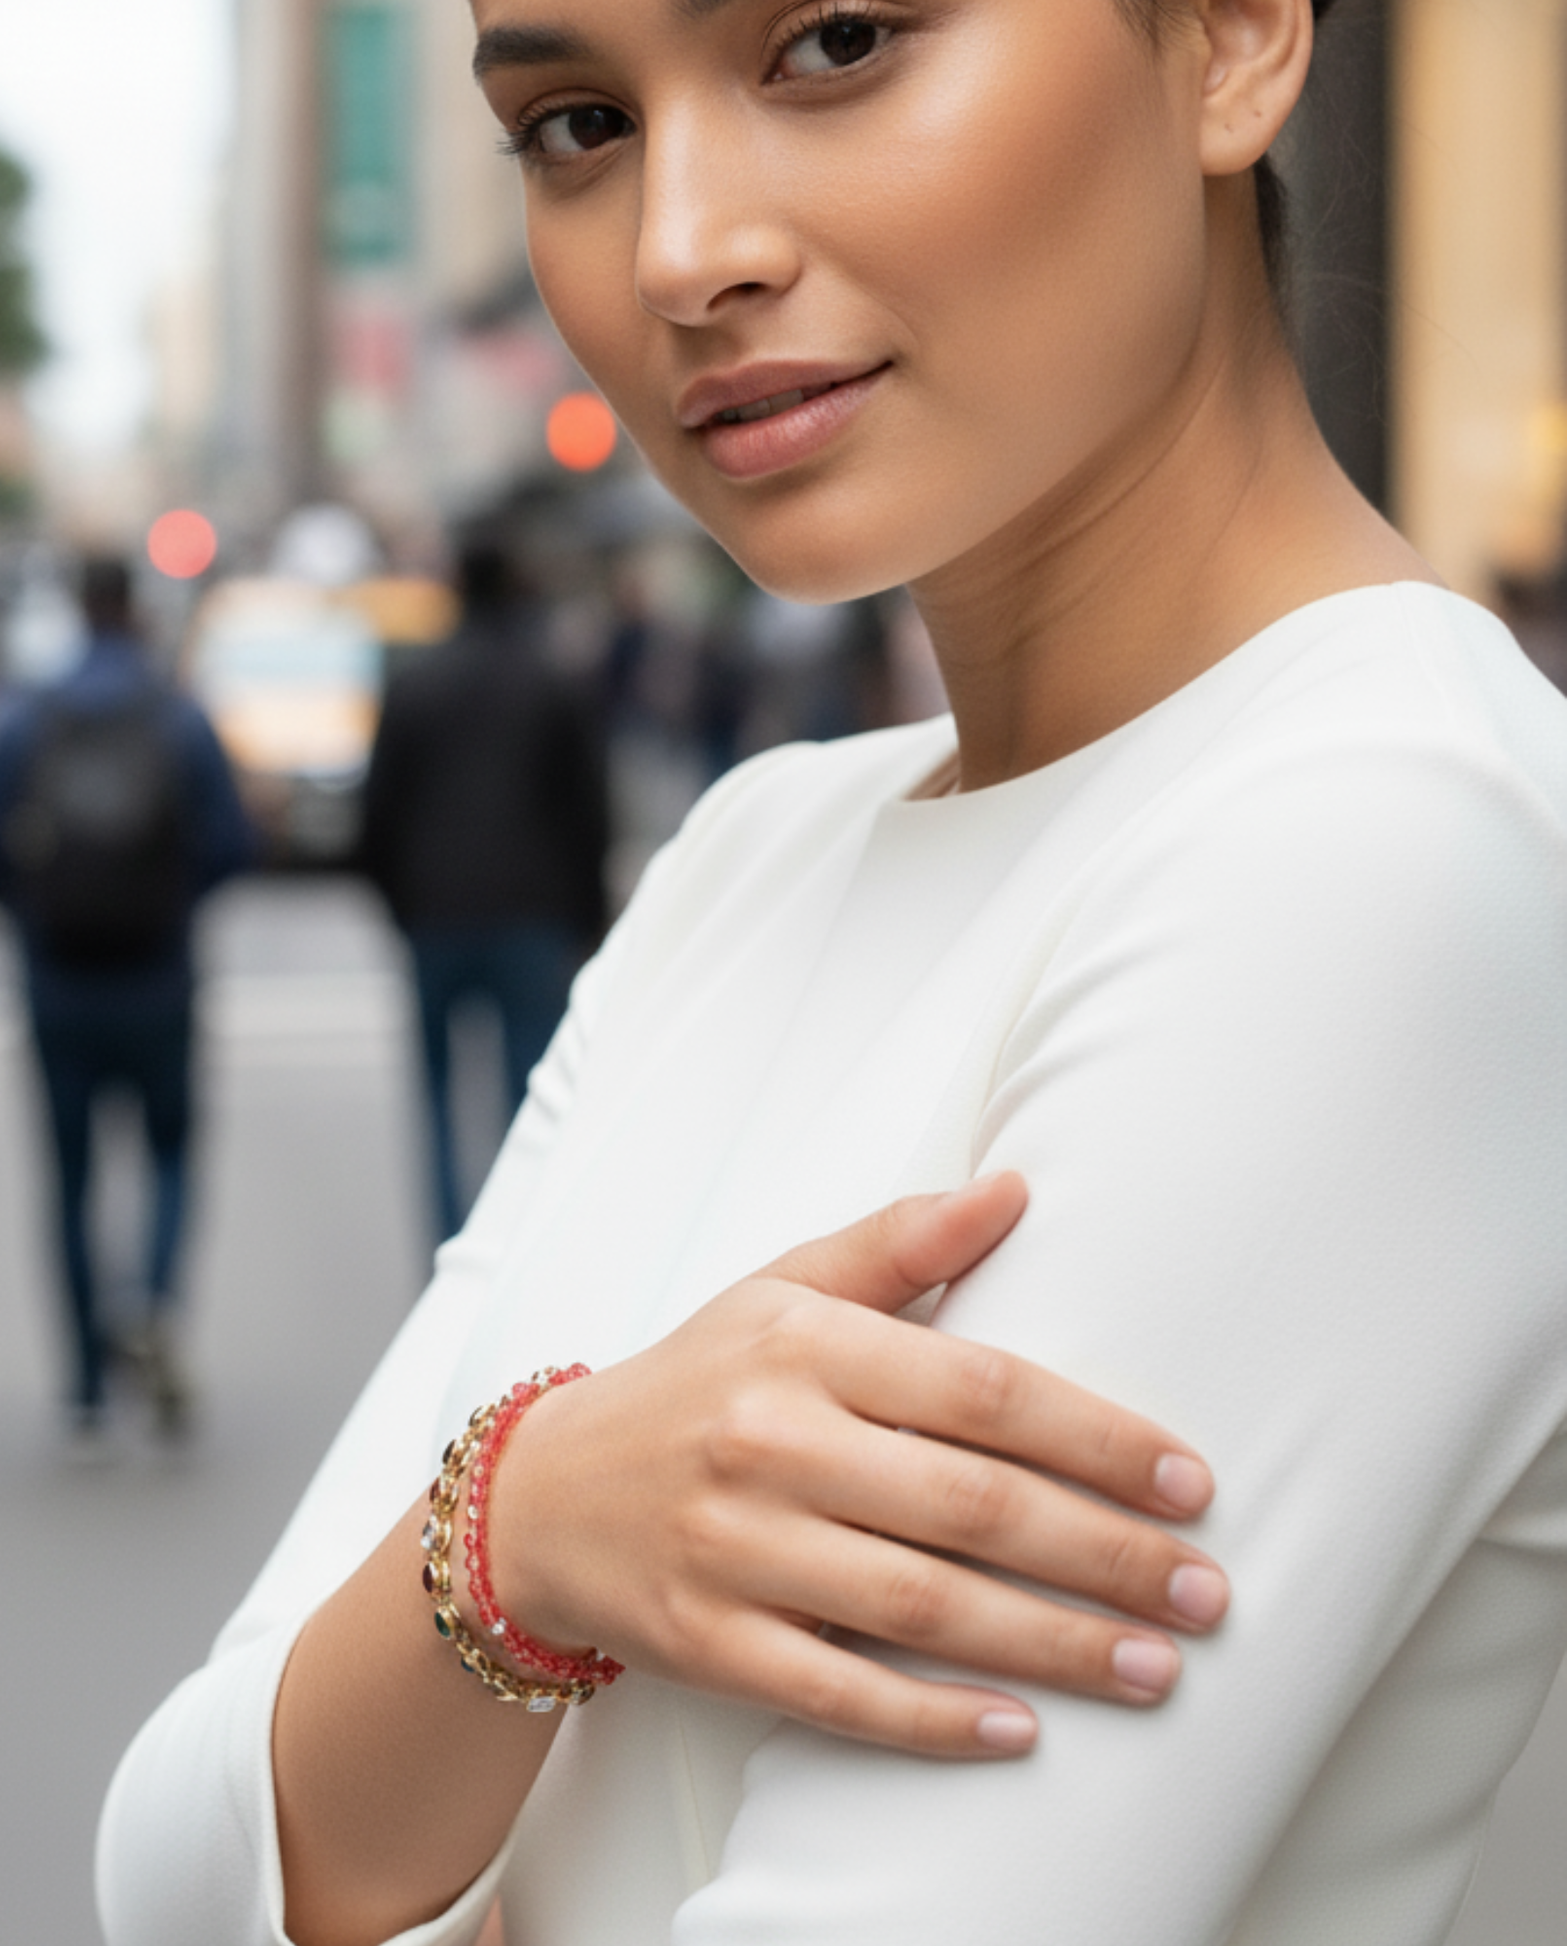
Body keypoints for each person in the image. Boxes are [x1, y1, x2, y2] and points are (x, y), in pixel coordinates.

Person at [98, 2, 1567, 1942]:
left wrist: (424, 1742)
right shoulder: (753, 852)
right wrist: (527, 1524)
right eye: (575, 124)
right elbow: (174, 1862)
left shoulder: (1375, 848)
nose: (677, 250)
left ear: (1227, 37)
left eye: (835, 40)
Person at [0, 555, 253, 1442]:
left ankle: (86, 1384)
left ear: (76, 609)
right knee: (169, 1152)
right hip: (158, 971)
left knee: (69, 1175)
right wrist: (171, 899)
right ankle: (152, 1303)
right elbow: (233, 840)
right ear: (134, 608)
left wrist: (37, 906)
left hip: (58, 976)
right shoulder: (178, 715)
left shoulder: (26, 715)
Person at [361, 538, 610, 1238]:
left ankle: (450, 1242)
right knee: (530, 1098)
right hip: (532, 913)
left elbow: (378, 810)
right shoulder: (551, 680)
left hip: (436, 913)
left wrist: (399, 904)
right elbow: (588, 808)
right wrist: (587, 914)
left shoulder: (415, 683)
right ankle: (513, 1244)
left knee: (436, 1095)